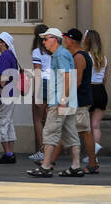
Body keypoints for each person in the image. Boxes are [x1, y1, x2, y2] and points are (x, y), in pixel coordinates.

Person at [28, 28, 82, 178]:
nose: (43, 42)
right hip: (67, 101)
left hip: (60, 101)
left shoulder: (60, 55)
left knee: (49, 132)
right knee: (70, 133)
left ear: (55, 39)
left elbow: (66, 78)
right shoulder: (61, 54)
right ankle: (76, 165)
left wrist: (61, 101)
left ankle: (45, 166)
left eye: (46, 39)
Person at [64, 29, 99, 173]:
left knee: (85, 132)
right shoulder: (78, 55)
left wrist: (65, 97)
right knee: (64, 129)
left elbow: (77, 81)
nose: (65, 41)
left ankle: (92, 164)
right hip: (77, 98)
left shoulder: (79, 56)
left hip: (79, 99)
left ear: (71, 40)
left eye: (66, 38)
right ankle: (49, 161)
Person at [0, 32, 19, 163]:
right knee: (8, 123)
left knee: (0, 122)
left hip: (5, 94)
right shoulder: (10, 55)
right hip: (11, 94)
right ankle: (9, 153)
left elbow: (3, 77)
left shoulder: (5, 57)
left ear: (3, 43)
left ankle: (8, 153)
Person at [84, 29, 108, 157]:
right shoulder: (104, 58)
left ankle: (91, 152)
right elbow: (105, 79)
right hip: (101, 91)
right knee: (96, 125)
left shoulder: (86, 56)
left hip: (90, 89)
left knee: (86, 126)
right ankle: (95, 149)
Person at [29, 24, 51, 162]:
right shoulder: (53, 50)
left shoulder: (37, 51)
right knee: (50, 120)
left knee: (38, 119)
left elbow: (37, 71)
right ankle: (50, 150)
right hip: (54, 82)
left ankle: (42, 150)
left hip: (42, 82)